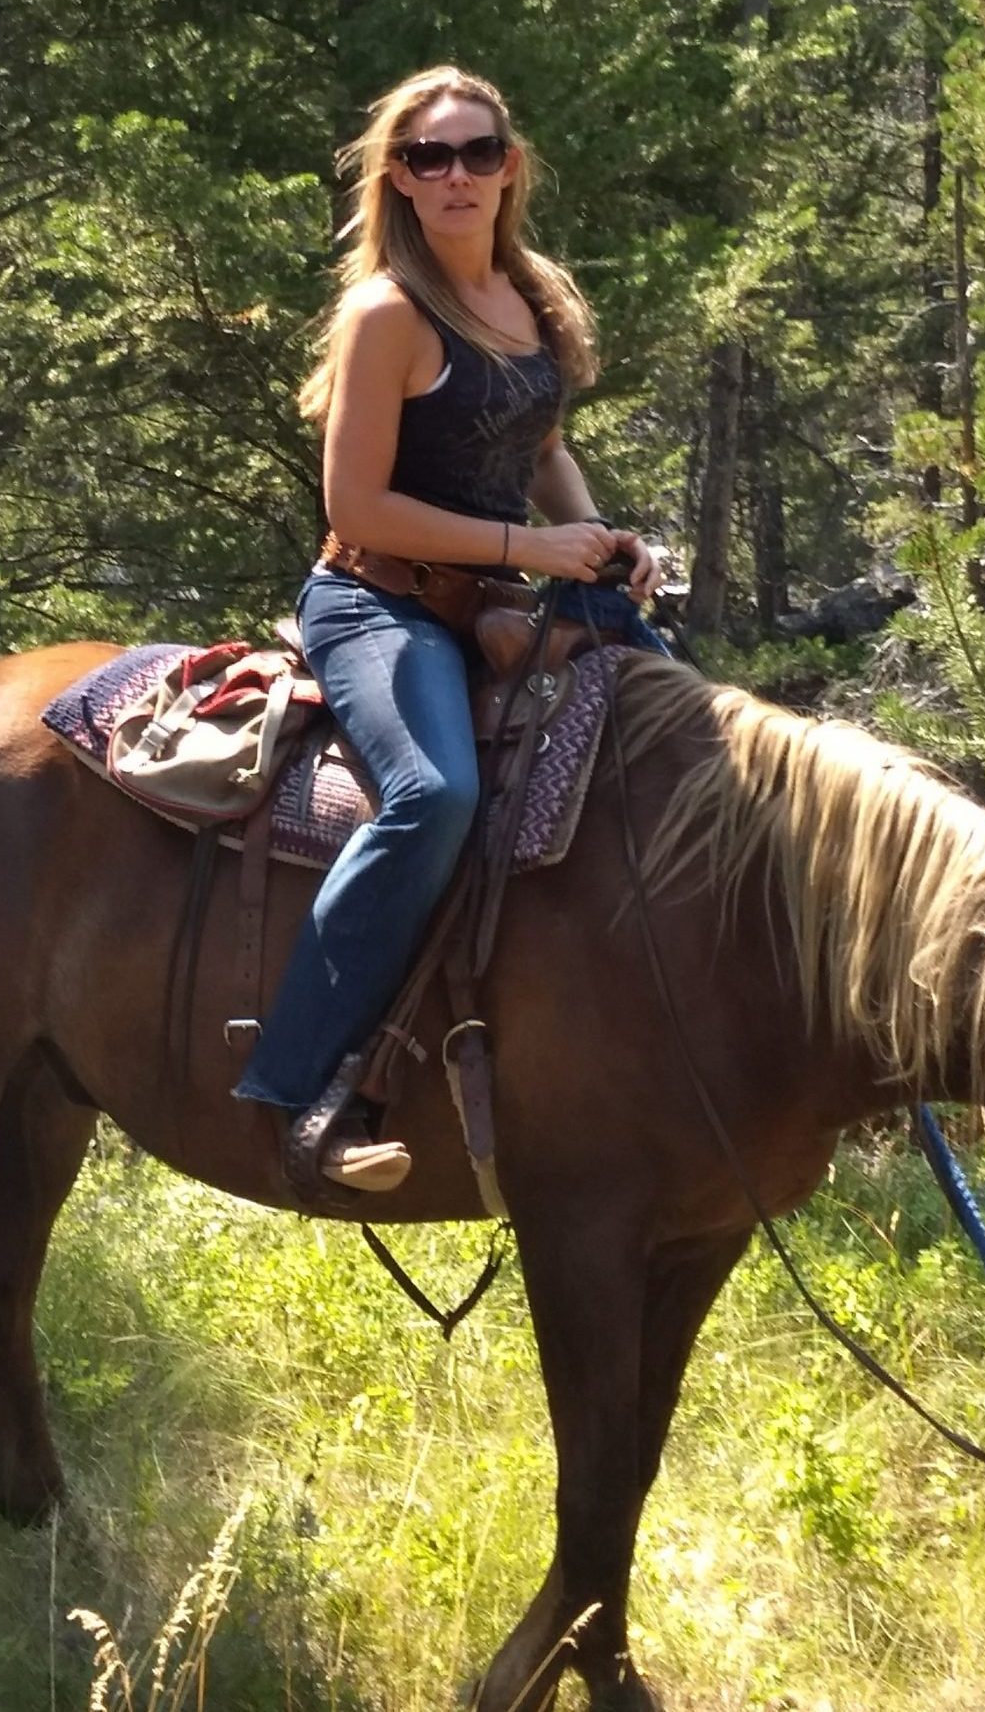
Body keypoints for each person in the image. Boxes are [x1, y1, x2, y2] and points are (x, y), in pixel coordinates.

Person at [233, 65, 663, 1195]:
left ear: (510, 167)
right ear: (401, 180)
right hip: (379, 600)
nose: (457, 174)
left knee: (681, 743)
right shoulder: (386, 313)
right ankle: (300, 1089)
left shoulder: (532, 295)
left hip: (493, 599)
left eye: (478, 152)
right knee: (437, 796)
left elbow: (540, 445)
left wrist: (604, 538)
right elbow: (356, 508)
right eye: (430, 157)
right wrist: (532, 552)